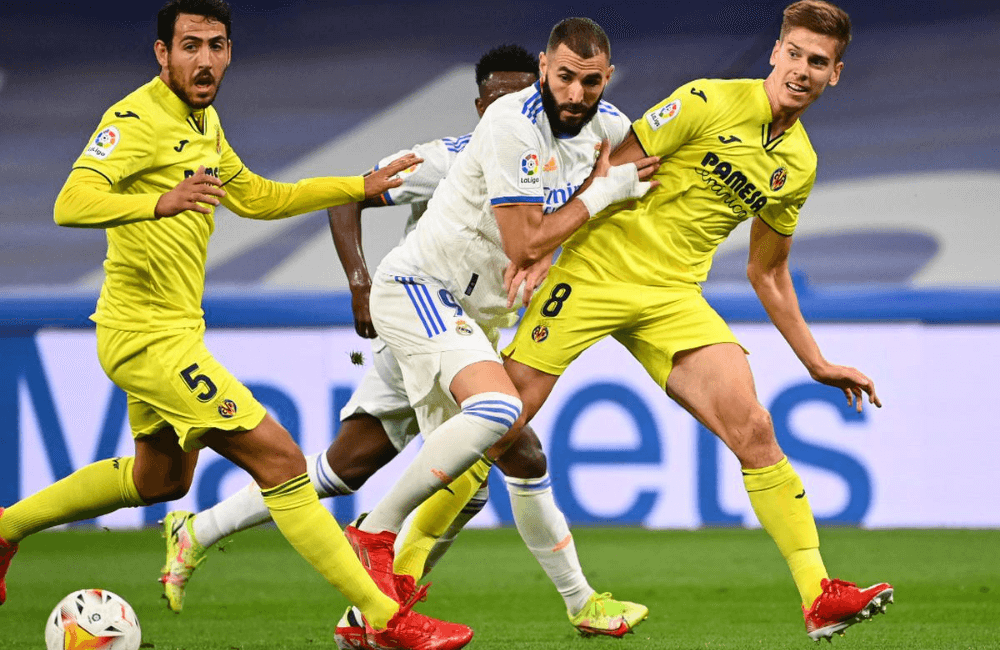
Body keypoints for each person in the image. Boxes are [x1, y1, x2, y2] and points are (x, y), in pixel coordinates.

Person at [0, 2, 473, 648]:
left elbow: (255, 195)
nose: (204, 59)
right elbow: (69, 202)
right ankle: (385, 620)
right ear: (161, 54)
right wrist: (158, 202)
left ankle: (5, 528)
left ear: (229, 51)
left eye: (216, 45)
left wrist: (355, 186)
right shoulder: (133, 119)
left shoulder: (206, 122)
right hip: (146, 338)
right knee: (278, 458)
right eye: (189, 45)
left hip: (173, 332)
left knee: (159, 479)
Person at [159, 44, 648, 641]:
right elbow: (350, 194)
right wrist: (359, 283)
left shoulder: (570, 152)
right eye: (500, 96)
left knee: (346, 468)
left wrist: (550, 255)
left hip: (466, 328)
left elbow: (564, 218)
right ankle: (565, 601)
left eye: (523, 93)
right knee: (503, 447)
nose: (521, 105)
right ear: (482, 104)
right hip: (422, 310)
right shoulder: (450, 156)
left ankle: (203, 532)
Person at [493, 0, 892, 642]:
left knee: (755, 427)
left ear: (835, 74)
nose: (802, 69)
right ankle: (394, 566)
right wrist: (542, 250)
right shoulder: (705, 100)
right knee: (498, 422)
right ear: (775, 52)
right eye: (794, 53)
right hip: (593, 272)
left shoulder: (800, 166)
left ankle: (820, 596)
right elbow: (610, 167)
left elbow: (768, 272)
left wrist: (815, 361)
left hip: (673, 297)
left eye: (818, 62)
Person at [343, 14, 659, 637]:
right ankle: (372, 533)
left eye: (589, 82)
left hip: (472, 316)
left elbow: (617, 195)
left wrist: (562, 240)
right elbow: (526, 238)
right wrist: (597, 197)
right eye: (564, 77)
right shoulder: (512, 123)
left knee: (512, 457)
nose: (575, 94)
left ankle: (372, 620)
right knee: (494, 413)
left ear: (607, 78)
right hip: (419, 290)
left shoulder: (610, 127)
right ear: (545, 68)